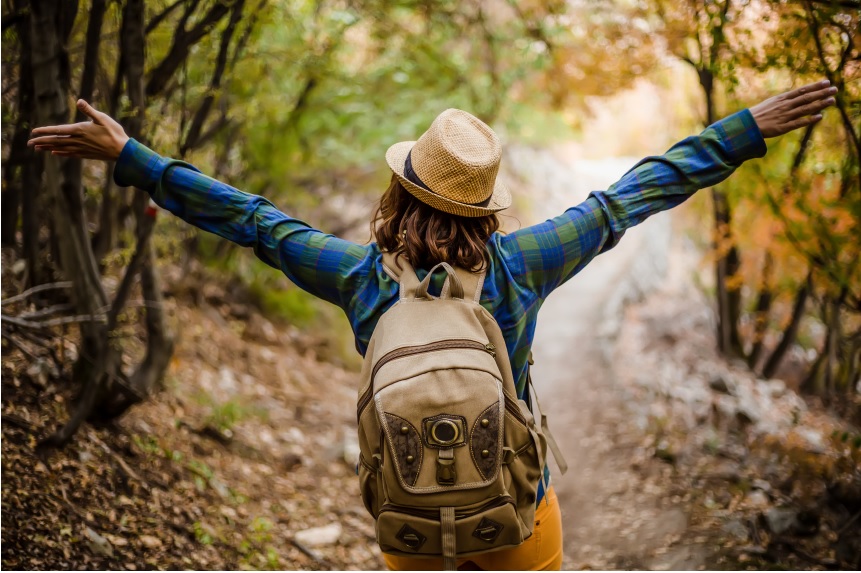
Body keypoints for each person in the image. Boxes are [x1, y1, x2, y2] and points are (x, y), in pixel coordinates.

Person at [29, 80, 836, 570]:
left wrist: (134, 156)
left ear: (399, 188)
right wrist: (742, 130)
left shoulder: (356, 275)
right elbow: (631, 195)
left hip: (409, 518)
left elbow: (253, 221)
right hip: (517, 508)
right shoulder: (522, 264)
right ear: (484, 204)